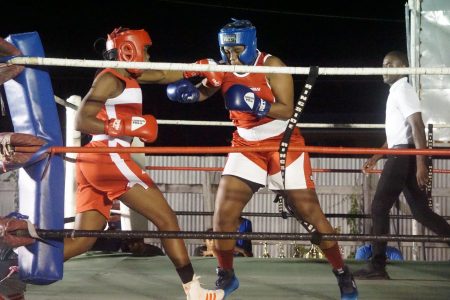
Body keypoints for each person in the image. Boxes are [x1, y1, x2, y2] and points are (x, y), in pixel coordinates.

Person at [166, 19, 358, 300]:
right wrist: (191, 94)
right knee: (223, 216)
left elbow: (287, 109)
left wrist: (256, 103)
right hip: (245, 144)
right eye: (226, 50)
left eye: (237, 50)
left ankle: (342, 273)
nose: (231, 56)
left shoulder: (273, 65)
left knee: (311, 214)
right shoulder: (222, 68)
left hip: (283, 143)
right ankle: (227, 274)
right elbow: (206, 91)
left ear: (250, 44)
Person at [64, 27, 224, 300]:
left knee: (82, 240)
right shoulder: (108, 78)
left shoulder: (128, 75)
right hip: (108, 157)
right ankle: (193, 290)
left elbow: (163, 74)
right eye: (146, 50)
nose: (149, 56)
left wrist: (195, 69)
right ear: (129, 50)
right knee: (167, 219)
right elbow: (81, 120)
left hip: (96, 160)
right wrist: (124, 124)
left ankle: (16, 265)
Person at [353, 51, 450, 280]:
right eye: (383, 64)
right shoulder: (396, 92)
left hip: (403, 156)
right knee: (421, 212)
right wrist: (376, 157)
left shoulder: (403, 90)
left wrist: (421, 163)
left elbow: (416, 126)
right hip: (401, 153)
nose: (385, 68)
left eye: (389, 64)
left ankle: (378, 265)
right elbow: (398, 134)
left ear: (403, 66)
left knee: (378, 207)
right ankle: (378, 265)